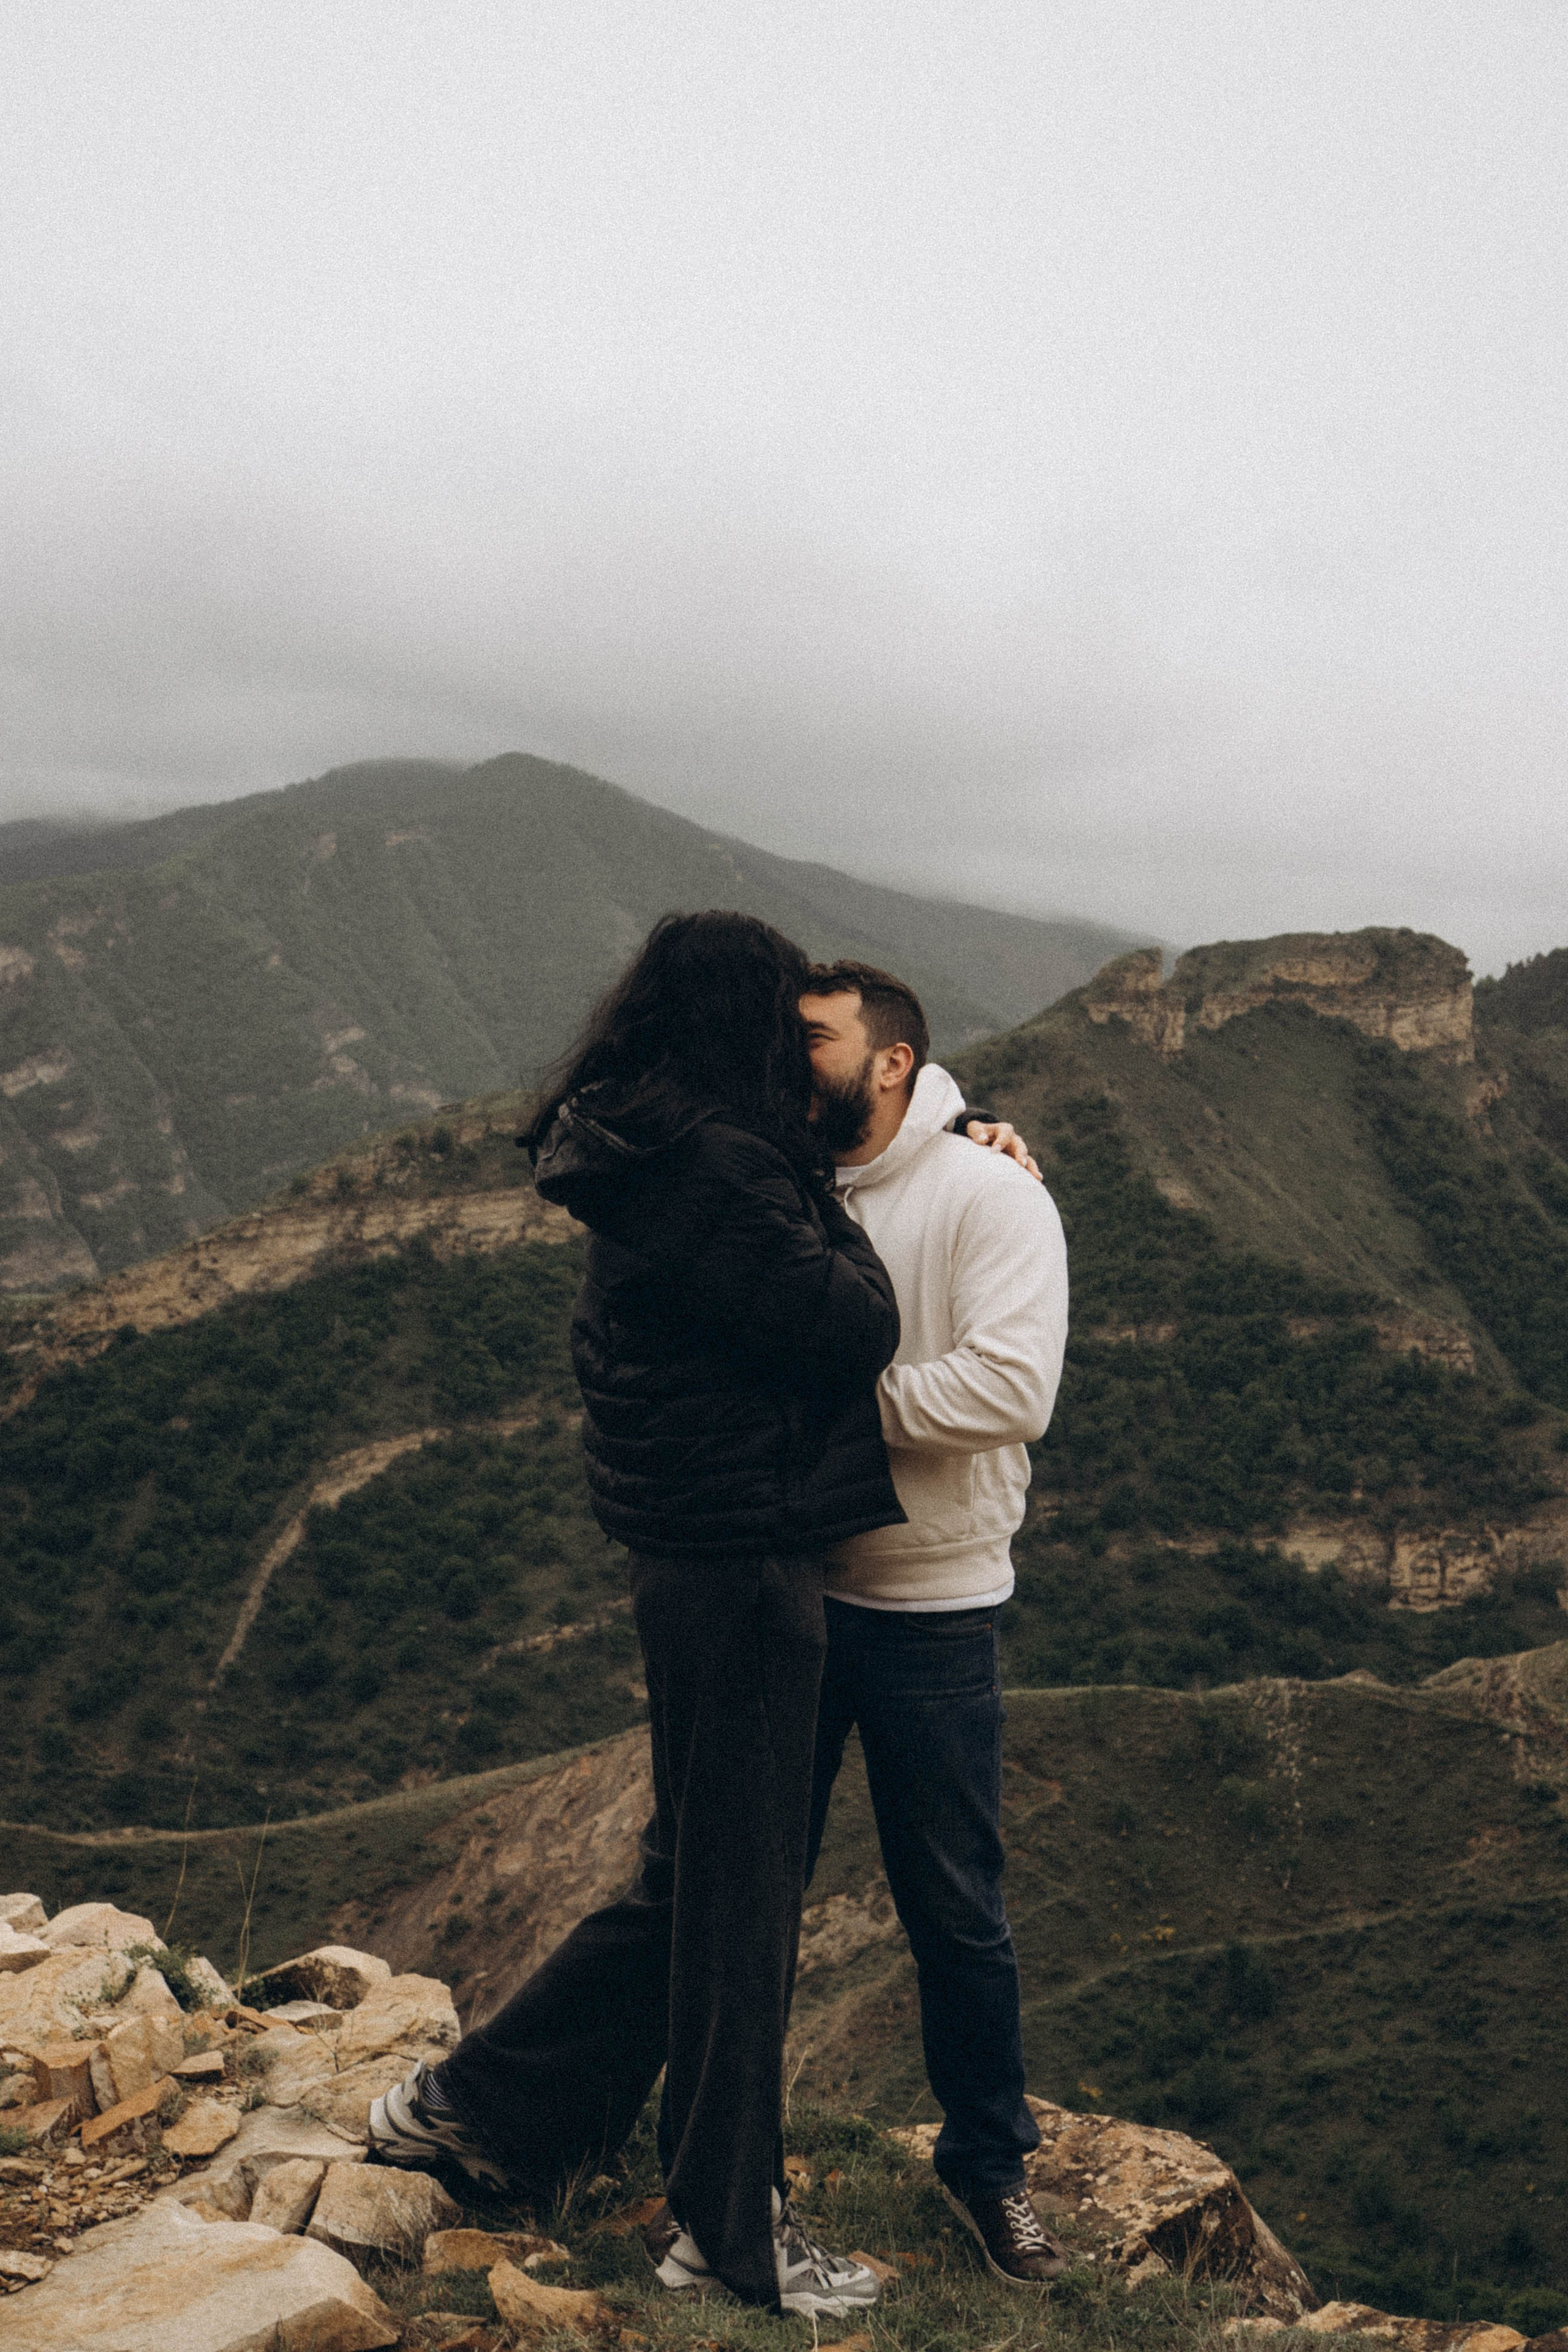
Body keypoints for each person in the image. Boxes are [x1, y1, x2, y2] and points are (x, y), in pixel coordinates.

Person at [369, 911, 902, 2318]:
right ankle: (729, 2235)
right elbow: (857, 1327)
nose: (800, 1051)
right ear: (737, 1022)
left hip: (698, 1554)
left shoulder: (655, 1150)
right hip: (739, 1564)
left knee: (692, 1881)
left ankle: (474, 2105)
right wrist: (837, 1201)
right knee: (739, 1911)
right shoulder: (720, 1171)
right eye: (785, 1025)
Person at [799, 960, 1071, 2287]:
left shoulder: (986, 1191)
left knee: (953, 1907)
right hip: (788, 1592)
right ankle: (704, 2144)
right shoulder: (793, 1182)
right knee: (737, 1888)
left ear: (889, 1060)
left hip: (929, 1608)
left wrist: (824, 1418)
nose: (791, 1060)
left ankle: (987, 2168)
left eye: (814, 1041)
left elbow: (1009, 1389)